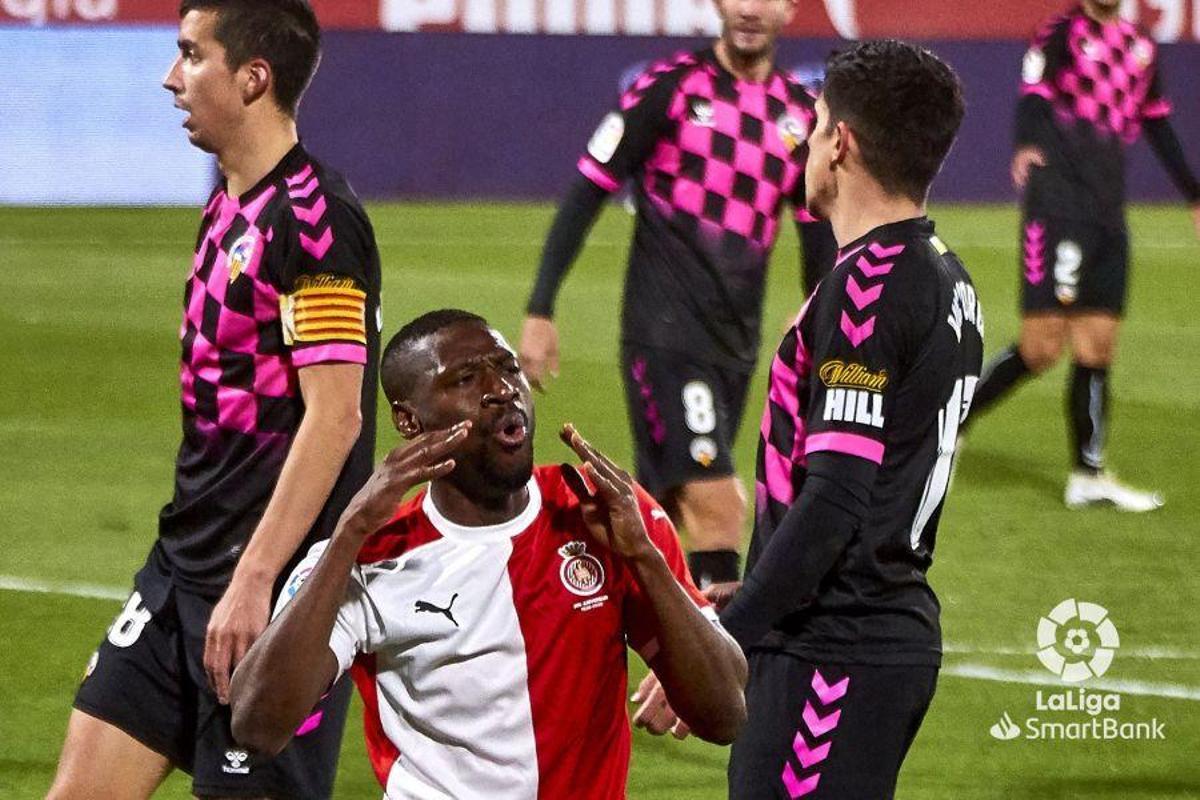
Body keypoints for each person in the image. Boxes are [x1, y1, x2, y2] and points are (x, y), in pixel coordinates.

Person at [49, 2, 381, 797]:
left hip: (271, 598)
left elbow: (337, 415)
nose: (172, 78)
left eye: (193, 55)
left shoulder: (316, 222)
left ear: (253, 78)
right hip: (180, 574)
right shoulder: (232, 199)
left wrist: (258, 580)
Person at [633, 40, 980, 799]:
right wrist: (756, 589)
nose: (808, 142)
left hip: (834, 650)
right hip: (867, 631)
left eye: (817, 124)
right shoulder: (947, 277)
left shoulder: (868, 287)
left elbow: (836, 498)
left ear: (841, 144)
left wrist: (721, 646)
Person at [228, 309, 748, 799]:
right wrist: (348, 535)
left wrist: (645, 559)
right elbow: (257, 725)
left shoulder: (604, 513)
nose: (502, 390)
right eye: (465, 379)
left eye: (508, 368)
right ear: (409, 421)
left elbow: (724, 714)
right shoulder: (372, 552)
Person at [519, 0, 837, 592]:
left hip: (735, 346)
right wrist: (541, 307)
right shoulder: (670, 88)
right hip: (664, 335)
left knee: (656, 514)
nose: (749, 9)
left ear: (791, 8)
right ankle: (724, 652)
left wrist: (820, 315)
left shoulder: (800, 112)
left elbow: (817, 235)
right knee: (719, 507)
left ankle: (565, 599)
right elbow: (588, 190)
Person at [968, 0, 1200, 510]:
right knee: (1041, 347)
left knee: (1098, 344)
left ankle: (1088, 475)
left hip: (1107, 214)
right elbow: (1033, 94)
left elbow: (1157, 121)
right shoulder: (1060, 34)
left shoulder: (1140, 46)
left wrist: (1193, 193)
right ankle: (952, 422)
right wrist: (1026, 144)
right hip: (1057, 206)